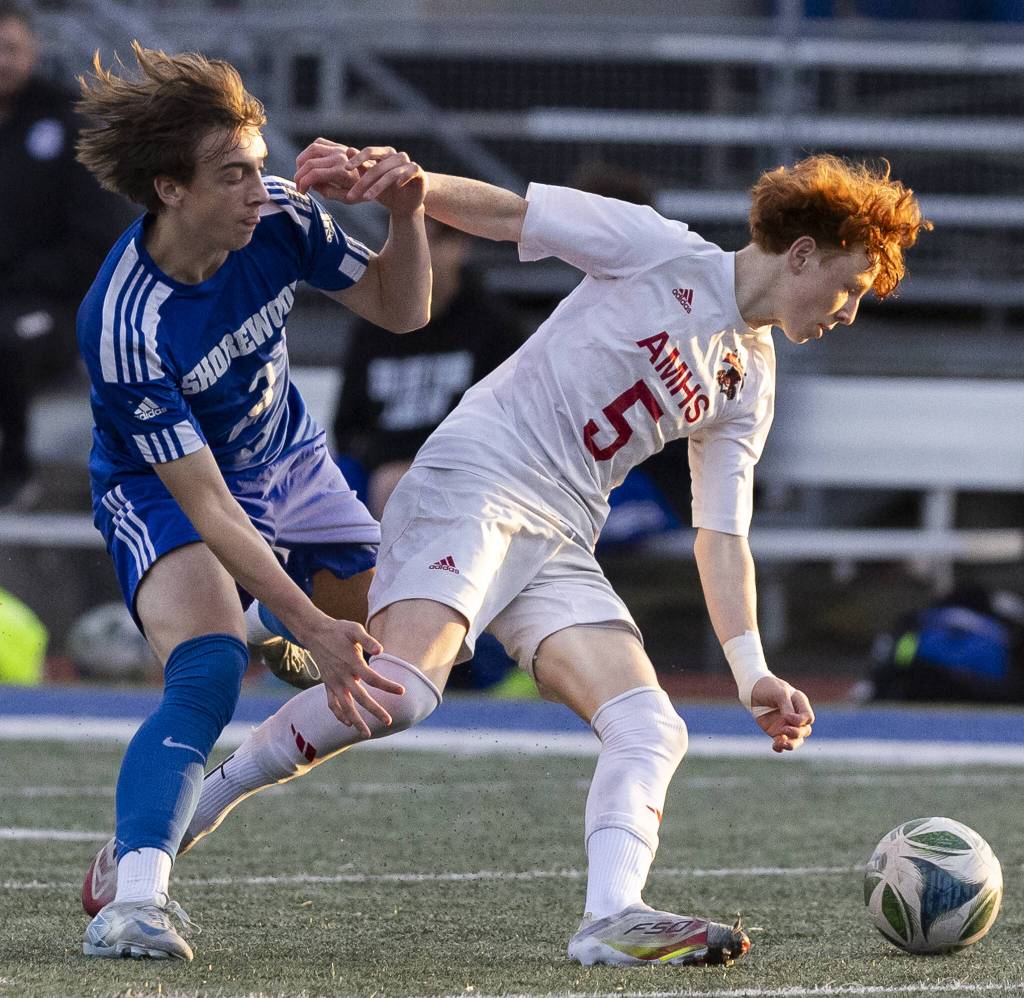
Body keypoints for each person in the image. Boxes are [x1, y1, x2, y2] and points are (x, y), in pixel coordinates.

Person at [84, 147, 930, 968]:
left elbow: (723, 535)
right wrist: (406, 187)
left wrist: (752, 674)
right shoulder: (661, 250)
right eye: (852, 285)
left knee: (651, 725)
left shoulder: (750, 378)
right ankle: (204, 798)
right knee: (405, 694)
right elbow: (511, 214)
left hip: (560, 530)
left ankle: (612, 917)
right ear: (805, 252)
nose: (850, 309)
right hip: (477, 479)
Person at [73, 44, 431, 962]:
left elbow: (403, 311)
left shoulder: (279, 219)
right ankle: (136, 900)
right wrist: (306, 620)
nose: (257, 189)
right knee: (207, 668)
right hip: (166, 493)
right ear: (170, 190)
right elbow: (211, 510)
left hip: (291, 462)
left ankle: (211, 783)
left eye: (260, 167)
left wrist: (405, 212)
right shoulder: (125, 324)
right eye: (234, 174)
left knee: (396, 659)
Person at [0, 2, 128, 507]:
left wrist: (26, 277)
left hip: (47, 304)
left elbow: (93, 237)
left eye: (10, 49)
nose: (1, 61)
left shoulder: (70, 123)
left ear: (33, 51)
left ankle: (12, 474)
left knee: (5, 342)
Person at [334, 216, 523, 521]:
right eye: (411, 240)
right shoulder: (370, 328)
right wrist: (388, 464)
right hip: (382, 468)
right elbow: (348, 427)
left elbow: (509, 423)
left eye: (435, 241)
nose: (424, 253)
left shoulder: (494, 326)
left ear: (461, 246)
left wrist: (423, 466)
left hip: (466, 469)